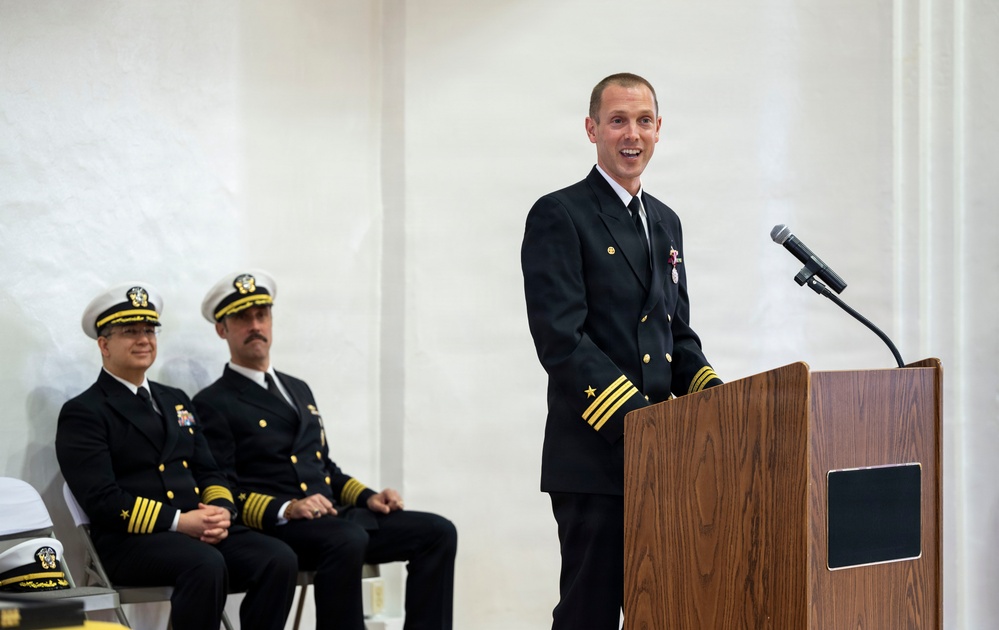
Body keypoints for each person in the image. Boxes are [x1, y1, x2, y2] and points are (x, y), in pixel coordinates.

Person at [521, 73, 724, 629]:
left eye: (642, 121)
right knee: (589, 614)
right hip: (596, 455)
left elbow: (676, 336)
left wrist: (720, 400)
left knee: (665, 609)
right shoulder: (559, 214)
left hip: (664, 457)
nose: (630, 134)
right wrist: (639, 424)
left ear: (659, 130)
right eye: (617, 121)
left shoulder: (665, 222)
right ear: (592, 130)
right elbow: (561, 340)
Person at [192, 270, 457, 630]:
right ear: (222, 329)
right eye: (242, 318)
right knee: (346, 539)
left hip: (331, 517)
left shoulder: (298, 389)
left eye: (262, 315)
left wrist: (368, 497)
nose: (255, 325)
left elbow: (325, 467)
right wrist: (289, 508)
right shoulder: (213, 402)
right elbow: (223, 487)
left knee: (437, 532)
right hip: (279, 527)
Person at [56, 282, 298, 630]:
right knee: (205, 563)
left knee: (277, 557)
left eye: (149, 330)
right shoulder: (85, 411)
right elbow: (101, 499)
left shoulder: (175, 400)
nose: (144, 339)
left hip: (195, 531)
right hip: (130, 542)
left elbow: (208, 470)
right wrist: (179, 521)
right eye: (130, 332)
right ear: (104, 345)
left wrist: (220, 511)